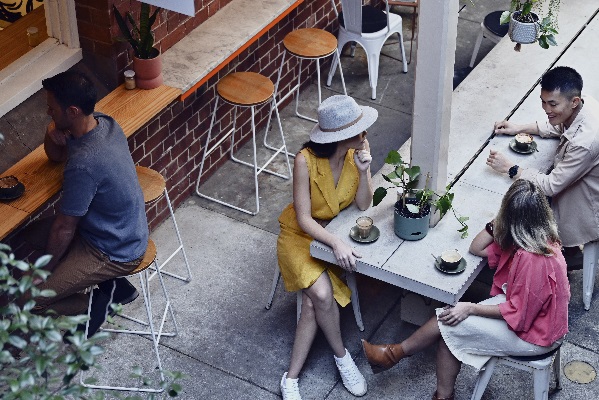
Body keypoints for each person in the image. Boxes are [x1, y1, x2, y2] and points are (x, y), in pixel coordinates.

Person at [362, 179, 570, 400]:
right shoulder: (537, 238)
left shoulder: (532, 258)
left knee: (451, 325)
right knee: (451, 318)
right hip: (532, 316)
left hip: (536, 336)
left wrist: (471, 308)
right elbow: (476, 247)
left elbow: (518, 315)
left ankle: (396, 358)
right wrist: (498, 222)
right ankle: (394, 357)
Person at [13, 70, 148, 337]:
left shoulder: (85, 164)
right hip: (110, 227)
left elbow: (64, 227)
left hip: (115, 248)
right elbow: (54, 157)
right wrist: (52, 131)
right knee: (29, 235)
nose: (48, 113)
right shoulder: (104, 122)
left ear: (72, 111)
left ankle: (98, 306)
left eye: (52, 109)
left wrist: (44, 270)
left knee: (31, 299)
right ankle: (116, 287)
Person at [277, 95, 376, 399]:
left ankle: (290, 378)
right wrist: (336, 243)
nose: (365, 135)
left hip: (332, 235)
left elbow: (363, 204)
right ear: (342, 135)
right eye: (360, 130)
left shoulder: (356, 154)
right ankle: (343, 357)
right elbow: (304, 218)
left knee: (312, 303)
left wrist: (363, 171)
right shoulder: (304, 161)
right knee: (320, 294)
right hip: (300, 236)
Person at [487, 66, 599, 252]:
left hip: (584, 208)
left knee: (514, 208)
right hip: (577, 184)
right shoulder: (582, 105)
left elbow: (550, 186)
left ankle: (558, 257)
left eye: (552, 104)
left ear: (574, 101)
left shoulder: (585, 142)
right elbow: (559, 126)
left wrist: (511, 168)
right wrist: (518, 128)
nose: (546, 109)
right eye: (543, 102)